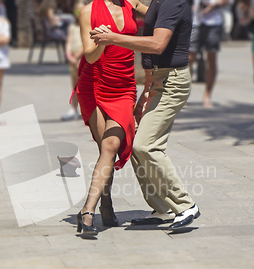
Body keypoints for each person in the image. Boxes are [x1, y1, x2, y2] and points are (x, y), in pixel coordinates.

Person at [91, 0, 201, 230]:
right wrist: (147, 89)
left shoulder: (173, 2)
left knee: (146, 146)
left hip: (172, 83)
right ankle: (161, 208)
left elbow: (158, 44)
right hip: (159, 81)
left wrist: (113, 37)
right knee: (135, 145)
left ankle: (185, 204)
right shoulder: (157, 2)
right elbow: (138, 14)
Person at [75, 0, 148, 236]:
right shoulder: (88, 11)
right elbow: (90, 55)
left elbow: (163, 15)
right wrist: (103, 42)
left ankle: (91, 208)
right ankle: (98, 208)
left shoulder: (132, 5)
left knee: (111, 144)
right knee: (105, 147)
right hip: (94, 85)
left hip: (124, 86)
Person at [189, 0, 232, 107]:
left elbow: (228, 1)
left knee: (211, 60)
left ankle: (207, 95)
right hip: (195, 21)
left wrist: (215, 4)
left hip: (213, 23)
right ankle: (185, 95)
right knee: (188, 59)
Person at [60, 0, 84, 121]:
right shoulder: (73, 26)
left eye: (81, 10)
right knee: (74, 85)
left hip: (82, 59)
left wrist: (77, 56)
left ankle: (85, 109)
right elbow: (68, 42)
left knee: (83, 85)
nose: (78, 13)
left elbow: (86, 44)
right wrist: (69, 55)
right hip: (73, 60)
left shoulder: (86, 26)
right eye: (76, 10)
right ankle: (73, 108)